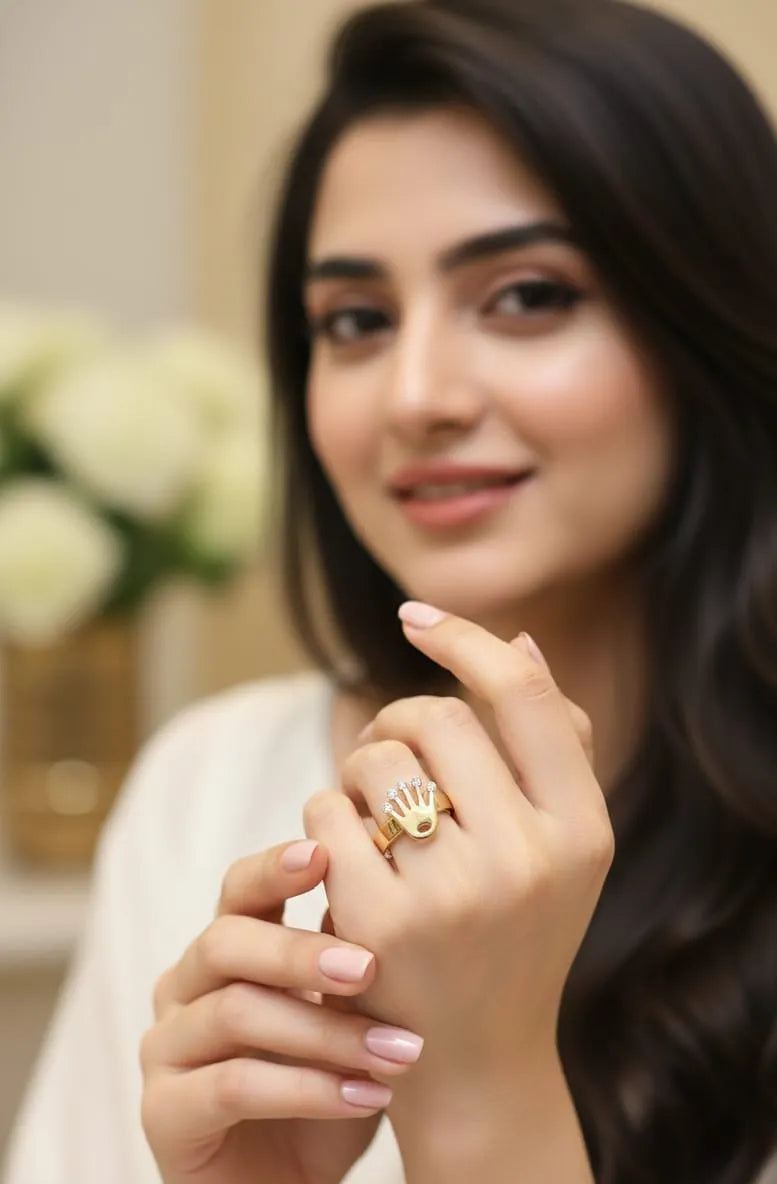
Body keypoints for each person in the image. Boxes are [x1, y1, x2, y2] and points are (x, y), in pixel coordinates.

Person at [5, 0, 777, 1180]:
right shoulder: (208, 787)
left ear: (711, 324)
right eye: (355, 320)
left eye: (527, 295)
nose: (414, 393)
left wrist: (480, 1096)